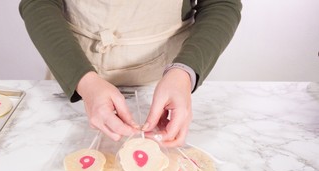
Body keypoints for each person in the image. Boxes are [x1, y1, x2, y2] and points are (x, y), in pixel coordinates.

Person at [19, 0, 242, 147]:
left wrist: (184, 73)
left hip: (170, 85)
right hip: (74, 76)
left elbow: (221, 3)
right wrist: (84, 82)